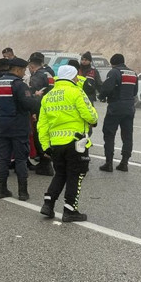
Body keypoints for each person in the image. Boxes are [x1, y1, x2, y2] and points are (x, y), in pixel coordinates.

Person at [37, 65, 98, 222]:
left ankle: (48, 204)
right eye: (76, 76)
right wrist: (94, 119)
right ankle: (70, 210)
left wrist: (45, 146)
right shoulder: (76, 92)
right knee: (75, 175)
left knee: (60, 174)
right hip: (76, 143)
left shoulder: (48, 96)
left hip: (56, 144)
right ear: (72, 77)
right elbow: (90, 115)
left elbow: (42, 125)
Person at [0, 57, 40, 200]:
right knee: (20, 159)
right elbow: (27, 104)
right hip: (18, 126)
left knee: (4, 158)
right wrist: (36, 98)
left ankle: (1, 189)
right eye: (24, 70)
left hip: (3, 125)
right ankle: (23, 192)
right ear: (18, 69)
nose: (24, 72)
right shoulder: (19, 85)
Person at [97, 53, 138, 172]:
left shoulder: (114, 72)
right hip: (130, 108)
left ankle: (108, 163)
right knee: (127, 135)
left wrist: (101, 96)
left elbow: (107, 88)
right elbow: (135, 91)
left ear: (113, 63)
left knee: (109, 134)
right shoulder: (133, 73)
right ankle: (124, 163)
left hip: (116, 107)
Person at [27, 52, 55, 176]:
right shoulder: (49, 73)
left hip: (41, 109)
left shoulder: (37, 77)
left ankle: (45, 163)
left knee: (39, 136)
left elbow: (35, 95)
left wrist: (33, 111)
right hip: (51, 107)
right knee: (47, 136)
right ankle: (46, 162)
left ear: (32, 66)